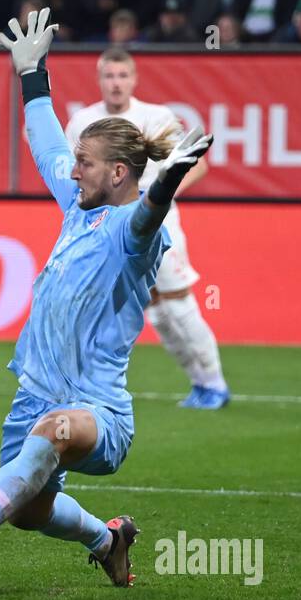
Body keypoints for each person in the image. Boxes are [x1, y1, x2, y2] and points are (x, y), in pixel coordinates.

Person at [0, 8, 213, 587]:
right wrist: (31, 75)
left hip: (97, 412)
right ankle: (108, 538)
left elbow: (148, 218)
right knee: (28, 512)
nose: (71, 171)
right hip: (34, 397)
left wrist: (166, 183)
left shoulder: (132, 231)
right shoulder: (78, 204)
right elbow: (44, 139)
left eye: (85, 163)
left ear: (119, 172)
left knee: (54, 433)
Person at [63, 48, 229, 408]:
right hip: (109, 230)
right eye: (109, 76)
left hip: (156, 222)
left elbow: (195, 166)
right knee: (154, 310)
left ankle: (214, 381)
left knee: (177, 302)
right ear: (99, 80)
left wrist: (160, 198)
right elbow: (74, 176)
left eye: (123, 76)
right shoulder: (81, 121)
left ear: (134, 79)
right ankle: (199, 384)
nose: (116, 83)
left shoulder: (157, 116)